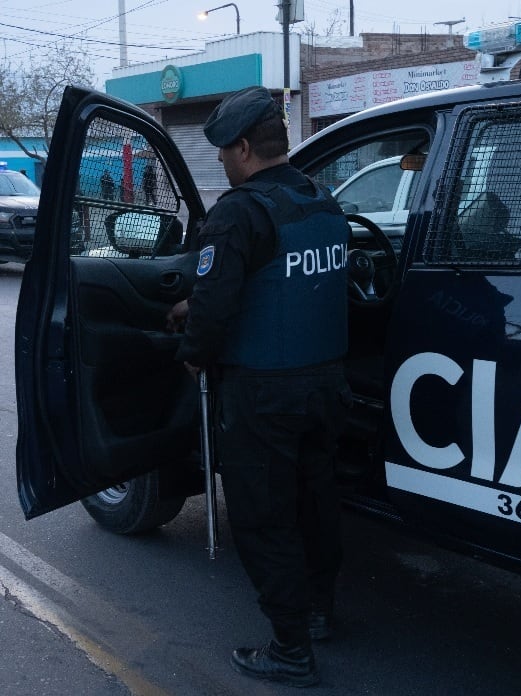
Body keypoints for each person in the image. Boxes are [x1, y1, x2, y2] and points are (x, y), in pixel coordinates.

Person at [165, 86, 352, 688]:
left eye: (224, 152)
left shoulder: (238, 213)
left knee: (265, 517)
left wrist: (193, 354)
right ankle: (318, 612)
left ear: (244, 147)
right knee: (316, 503)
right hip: (326, 385)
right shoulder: (322, 199)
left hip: (264, 394)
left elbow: (215, 306)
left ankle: (290, 648)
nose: (222, 161)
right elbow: (283, 282)